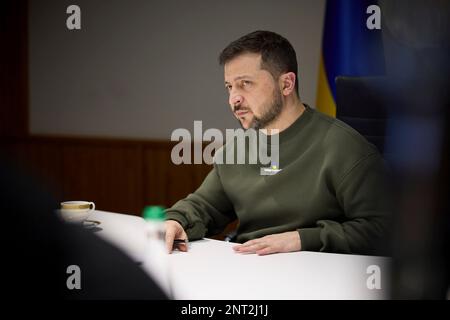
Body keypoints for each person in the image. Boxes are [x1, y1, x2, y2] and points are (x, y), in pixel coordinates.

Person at [165, 30, 390, 256]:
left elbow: (383, 228)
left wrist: (302, 239)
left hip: (315, 275)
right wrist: (176, 221)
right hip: (249, 271)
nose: (234, 99)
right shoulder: (235, 150)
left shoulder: (345, 146)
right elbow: (203, 206)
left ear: (286, 84)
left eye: (245, 83)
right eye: (229, 87)